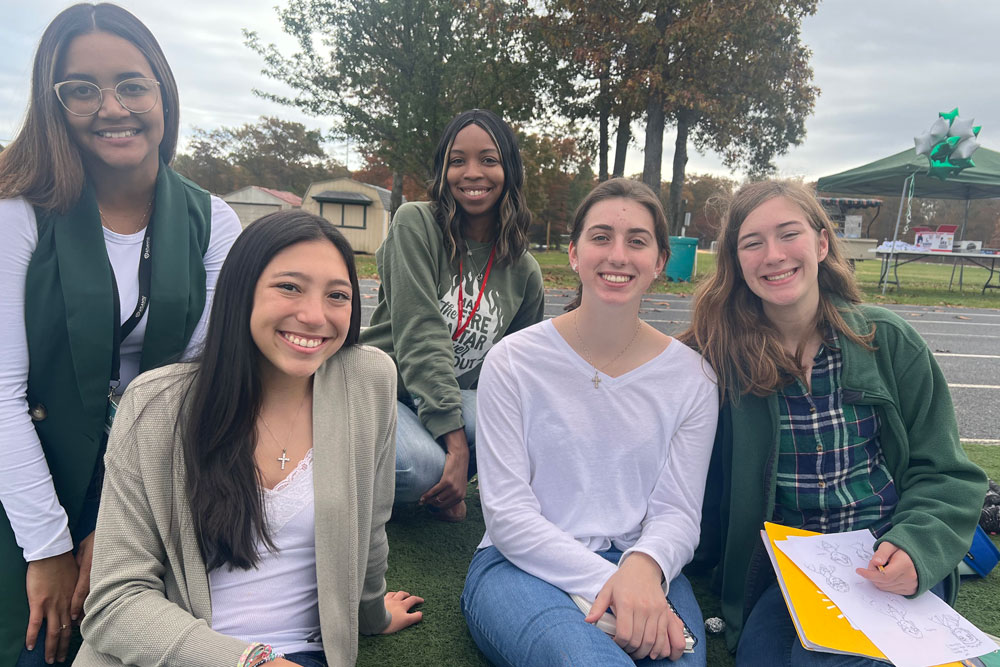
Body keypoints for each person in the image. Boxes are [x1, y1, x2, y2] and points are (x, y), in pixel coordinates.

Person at [0, 4, 242, 665]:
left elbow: (199, 381)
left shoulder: (212, 220)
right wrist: (49, 547)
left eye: (132, 84)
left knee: (148, 634)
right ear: (55, 103)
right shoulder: (17, 211)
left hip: (155, 468)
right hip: (30, 472)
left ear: (162, 90)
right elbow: (2, 394)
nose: (112, 107)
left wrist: (113, 521)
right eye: (81, 88)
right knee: (38, 643)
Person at [75, 211, 423, 667]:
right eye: (290, 287)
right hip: (174, 653)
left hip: (304, 651)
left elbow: (370, 527)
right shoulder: (157, 405)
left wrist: (372, 614)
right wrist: (254, 663)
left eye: (337, 295)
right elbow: (115, 602)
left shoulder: (368, 379)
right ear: (242, 292)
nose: (314, 316)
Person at [681, 180, 987, 665]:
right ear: (736, 262)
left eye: (788, 234)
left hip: (885, 552)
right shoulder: (714, 358)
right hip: (785, 570)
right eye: (752, 242)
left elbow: (947, 473)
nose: (773, 255)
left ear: (822, 243)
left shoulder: (887, 341)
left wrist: (915, 546)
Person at [461, 178, 719, 666]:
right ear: (575, 254)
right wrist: (615, 585)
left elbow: (678, 513)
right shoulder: (514, 361)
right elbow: (509, 516)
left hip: (645, 567)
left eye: (636, 241)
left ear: (660, 261)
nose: (617, 255)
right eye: (600, 237)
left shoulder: (693, 378)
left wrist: (641, 571)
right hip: (521, 566)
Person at [360, 109, 545, 522]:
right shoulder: (415, 223)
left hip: (449, 401)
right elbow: (421, 333)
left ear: (510, 170)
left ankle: (443, 481)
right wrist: (458, 447)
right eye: (457, 161)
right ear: (443, 171)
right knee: (418, 468)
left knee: (525, 420)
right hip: (389, 388)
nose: (472, 173)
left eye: (489, 160)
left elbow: (517, 373)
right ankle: (430, 475)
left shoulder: (525, 270)